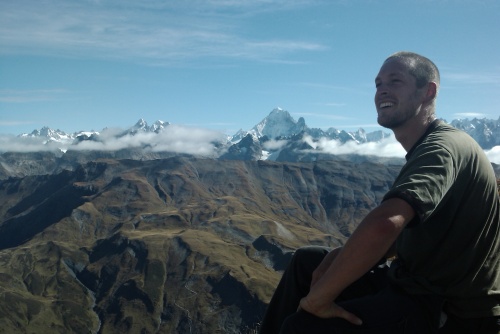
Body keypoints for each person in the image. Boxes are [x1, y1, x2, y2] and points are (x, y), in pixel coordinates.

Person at [258, 51, 500, 334]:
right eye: (377, 83)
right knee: (308, 260)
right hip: (415, 283)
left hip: (450, 309)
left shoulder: (441, 149)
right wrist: (344, 255)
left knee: (301, 326)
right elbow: (425, 233)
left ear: (428, 91)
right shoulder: (429, 145)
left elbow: (387, 222)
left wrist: (316, 300)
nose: (381, 89)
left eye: (395, 81)